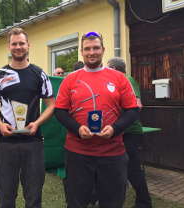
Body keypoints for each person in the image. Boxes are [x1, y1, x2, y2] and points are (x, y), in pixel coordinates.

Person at [54, 31, 139, 208]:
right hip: (77, 154)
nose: (91, 52)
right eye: (87, 49)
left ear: (103, 49)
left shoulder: (119, 78)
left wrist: (115, 129)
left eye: (95, 48)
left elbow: (132, 111)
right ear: (81, 51)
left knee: (112, 203)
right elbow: (60, 112)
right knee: (76, 203)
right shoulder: (70, 80)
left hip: (112, 154)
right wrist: (77, 129)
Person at [0, 27, 55, 208]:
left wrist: (38, 123)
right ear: (9, 47)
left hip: (33, 141)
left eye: (21, 43)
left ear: (28, 46)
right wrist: (0, 125)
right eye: (14, 43)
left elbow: (52, 105)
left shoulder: (39, 74)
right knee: (5, 194)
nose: (18, 47)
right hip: (6, 142)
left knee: (33, 195)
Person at [107, 57, 152, 208]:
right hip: (120, 132)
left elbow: (137, 105)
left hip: (129, 132)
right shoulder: (122, 80)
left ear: (113, 68)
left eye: (108, 68)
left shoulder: (126, 79)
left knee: (132, 169)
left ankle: (144, 202)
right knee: (118, 168)